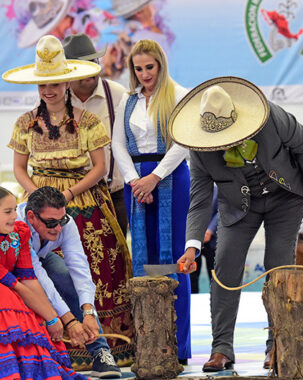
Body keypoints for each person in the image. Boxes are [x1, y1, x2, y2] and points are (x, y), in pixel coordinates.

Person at [171, 77, 303, 372]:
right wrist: (192, 246)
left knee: (278, 265)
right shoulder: (199, 149)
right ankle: (221, 347)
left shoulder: (272, 117)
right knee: (225, 266)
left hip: (285, 197)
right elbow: (199, 200)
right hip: (237, 207)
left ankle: (277, 344)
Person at [5, 35, 134, 367]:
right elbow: (19, 167)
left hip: (85, 202)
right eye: (42, 85)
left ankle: (106, 346)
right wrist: (37, 196)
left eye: (55, 84)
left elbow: (101, 166)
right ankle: (55, 350)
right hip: (36, 202)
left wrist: (69, 193)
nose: (49, 90)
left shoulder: (88, 121)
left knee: (96, 268)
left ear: (66, 82)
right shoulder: (24, 124)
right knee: (35, 272)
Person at [110, 39, 191, 363]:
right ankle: (149, 343)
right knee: (144, 258)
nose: (144, 73)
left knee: (173, 257)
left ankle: (179, 346)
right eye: (138, 68)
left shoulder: (179, 95)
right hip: (136, 181)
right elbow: (117, 145)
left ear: (160, 64)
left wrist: (154, 177)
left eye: (149, 67)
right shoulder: (128, 101)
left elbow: (183, 142)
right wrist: (134, 181)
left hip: (170, 176)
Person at [19, 186, 121, 378]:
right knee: (47, 281)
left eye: (61, 220)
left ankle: (101, 352)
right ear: (31, 217)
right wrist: (70, 320)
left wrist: (88, 312)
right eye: (51, 223)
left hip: (39, 258)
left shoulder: (66, 223)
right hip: (15, 267)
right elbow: (38, 276)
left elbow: (79, 267)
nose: (58, 228)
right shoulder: (19, 225)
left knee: (66, 277)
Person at [0, 186, 87, 380]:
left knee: (33, 309)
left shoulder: (19, 232)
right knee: (8, 298)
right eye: (8, 212)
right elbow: (15, 284)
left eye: (15, 209)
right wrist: (52, 316)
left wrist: (52, 318)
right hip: (8, 290)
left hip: (15, 288)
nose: (15, 216)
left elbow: (29, 279)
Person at [63, 33, 129, 236]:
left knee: (115, 261)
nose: (91, 68)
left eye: (93, 61)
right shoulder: (56, 98)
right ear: (67, 70)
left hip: (113, 195)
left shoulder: (118, 94)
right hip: (70, 197)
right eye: (83, 64)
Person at [190, 186, 217, 294]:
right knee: (192, 275)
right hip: (192, 240)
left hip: (213, 241)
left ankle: (218, 303)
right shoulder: (187, 189)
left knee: (215, 275)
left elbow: (222, 211)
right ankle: (193, 302)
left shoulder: (218, 190)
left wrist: (210, 230)